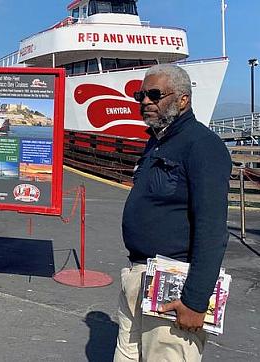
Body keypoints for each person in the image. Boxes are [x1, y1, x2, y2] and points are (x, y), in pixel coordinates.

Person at [114, 64, 232, 361]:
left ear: (182, 100)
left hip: (174, 286)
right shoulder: (156, 141)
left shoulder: (203, 146)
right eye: (141, 94)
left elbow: (212, 229)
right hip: (138, 277)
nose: (145, 101)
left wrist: (195, 301)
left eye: (154, 95)